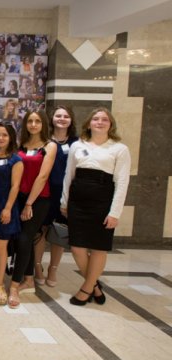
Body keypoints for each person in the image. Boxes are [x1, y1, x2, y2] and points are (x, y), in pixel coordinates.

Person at [61, 108, 131, 306]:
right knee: (76, 247)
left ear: (111, 124)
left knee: (99, 247)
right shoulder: (77, 145)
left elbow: (122, 182)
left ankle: (86, 289)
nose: (100, 122)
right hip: (77, 201)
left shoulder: (119, 149)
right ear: (89, 123)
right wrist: (64, 201)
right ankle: (95, 286)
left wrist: (114, 212)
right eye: (96, 119)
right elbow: (69, 175)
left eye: (104, 119)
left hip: (103, 202)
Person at [8, 110, 56, 308]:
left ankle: (14, 286)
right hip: (19, 197)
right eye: (30, 121)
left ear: (43, 124)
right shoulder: (22, 146)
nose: (34, 124)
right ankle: (28, 279)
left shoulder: (49, 146)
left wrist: (29, 204)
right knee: (21, 239)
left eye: (37, 121)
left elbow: (43, 176)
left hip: (38, 200)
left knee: (24, 239)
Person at [35, 106, 78, 287]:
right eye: (58, 115)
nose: (62, 119)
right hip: (43, 192)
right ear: (51, 119)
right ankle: (37, 268)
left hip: (65, 194)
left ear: (71, 120)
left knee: (59, 231)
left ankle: (53, 268)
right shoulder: (43, 141)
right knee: (40, 231)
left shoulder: (77, 143)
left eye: (66, 116)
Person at [0, 123, 23, 306]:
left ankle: (0, 285)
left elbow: (15, 186)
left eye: (4, 135)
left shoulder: (15, 160)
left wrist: (7, 208)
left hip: (5, 205)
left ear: (11, 138)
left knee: (1, 247)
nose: (0, 138)